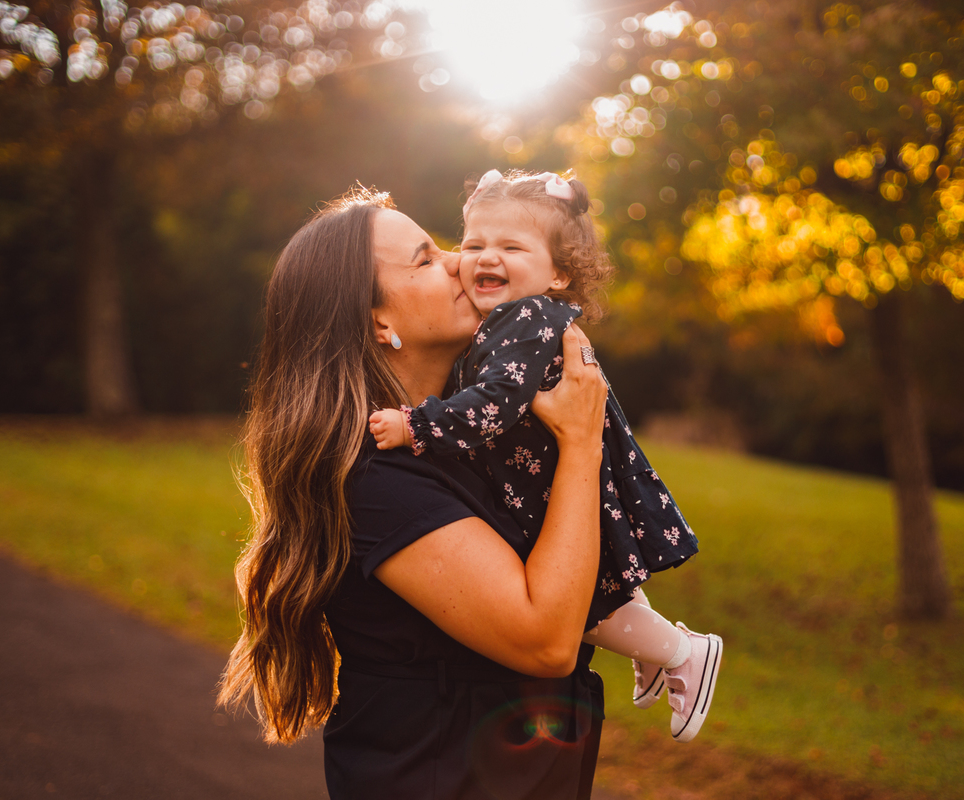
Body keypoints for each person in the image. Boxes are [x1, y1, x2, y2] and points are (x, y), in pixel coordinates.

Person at [218, 186, 610, 800]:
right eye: (426, 259)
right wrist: (582, 443)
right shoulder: (376, 480)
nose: (460, 262)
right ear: (379, 322)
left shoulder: (467, 440)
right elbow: (546, 641)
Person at [369, 169, 722, 743]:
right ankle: (660, 648)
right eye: (472, 244)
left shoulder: (526, 319)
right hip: (545, 480)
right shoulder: (505, 324)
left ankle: (681, 651)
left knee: (591, 597)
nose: (472, 260)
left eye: (511, 248)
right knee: (600, 586)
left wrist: (417, 425)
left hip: (547, 483)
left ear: (559, 274)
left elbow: (494, 404)